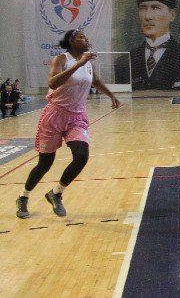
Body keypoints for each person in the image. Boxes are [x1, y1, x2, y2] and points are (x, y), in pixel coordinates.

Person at [15, 29, 120, 219]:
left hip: (77, 117)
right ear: (71, 41)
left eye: (86, 37)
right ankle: (23, 197)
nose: (86, 39)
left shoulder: (89, 62)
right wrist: (79, 64)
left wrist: (111, 95)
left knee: (81, 156)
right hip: (55, 115)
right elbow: (53, 83)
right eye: (81, 37)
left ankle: (56, 193)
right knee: (44, 164)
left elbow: (95, 81)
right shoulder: (62, 59)